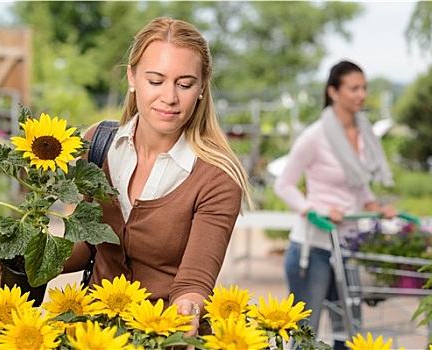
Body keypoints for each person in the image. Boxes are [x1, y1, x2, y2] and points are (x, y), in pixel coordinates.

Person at [62, 17, 252, 337]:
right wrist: (24, 258)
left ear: (202, 87)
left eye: (184, 83)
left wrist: (186, 314)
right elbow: (87, 243)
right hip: (96, 337)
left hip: (167, 339)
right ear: (132, 77)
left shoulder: (217, 176)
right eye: (155, 80)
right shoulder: (97, 145)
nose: (169, 97)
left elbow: (194, 282)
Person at [274, 60, 396, 349]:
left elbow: (357, 180)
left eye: (364, 88)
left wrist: (374, 204)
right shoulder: (314, 137)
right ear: (333, 92)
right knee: (306, 335)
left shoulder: (365, 134)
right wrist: (313, 210)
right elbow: (284, 185)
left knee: (350, 333)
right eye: (353, 88)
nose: (361, 94)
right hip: (313, 247)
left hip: (347, 246)